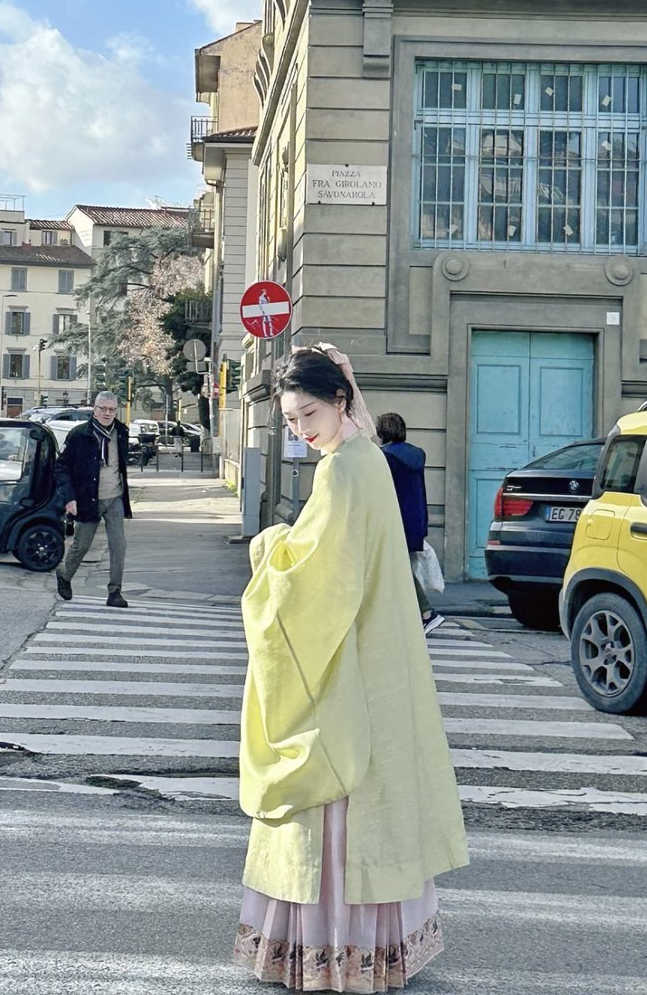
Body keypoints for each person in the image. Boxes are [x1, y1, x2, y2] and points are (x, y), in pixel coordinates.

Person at [234, 344, 467, 993]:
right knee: (372, 811)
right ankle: (375, 949)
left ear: (341, 402)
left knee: (330, 808)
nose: (300, 429)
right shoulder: (365, 457)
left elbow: (319, 582)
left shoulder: (341, 471)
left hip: (346, 667)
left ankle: (329, 953)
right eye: (288, 421)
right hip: (379, 660)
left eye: (308, 413)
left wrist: (267, 546)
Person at [54, 391, 132, 607]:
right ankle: (65, 575)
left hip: (115, 497)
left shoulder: (122, 432)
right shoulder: (79, 435)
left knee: (119, 545)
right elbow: (61, 468)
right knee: (81, 545)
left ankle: (115, 592)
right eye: (102, 409)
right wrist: (69, 498)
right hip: (88, 499)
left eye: (111, 409)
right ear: (94, 409)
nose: (107, 413)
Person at [375, 412, 446, 636]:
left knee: (398, 569)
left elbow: (380, 493)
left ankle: (427, 613)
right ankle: (402, 616)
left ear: (381, 432)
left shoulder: (383, 457)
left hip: (393, 520)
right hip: (415, 518)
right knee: (397, 567)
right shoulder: (417, 455)